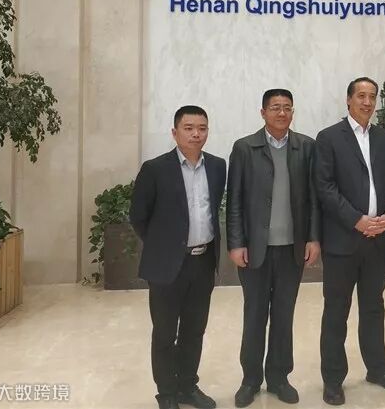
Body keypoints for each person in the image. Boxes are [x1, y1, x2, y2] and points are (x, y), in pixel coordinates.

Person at [226, 89, 321, 406]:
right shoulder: (245, 148)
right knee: (254, 315)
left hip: (292, 249)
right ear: (263, 112)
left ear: (293, 112)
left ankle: (279, 377)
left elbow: (313, 198)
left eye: (287, 108)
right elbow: (234, 200)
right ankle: (250, 379)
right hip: (255, 249)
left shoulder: (305, 147)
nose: (282, 113)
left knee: (283, 315)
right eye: (275, 107)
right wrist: (236, 242)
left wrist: (313, 237)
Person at [315, 77, 385, 406]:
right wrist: (356, 219)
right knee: (336, 311)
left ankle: (377, 369)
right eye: (361, 96)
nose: (367, 102)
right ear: (349, 99)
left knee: (373, 307)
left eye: (372, 97)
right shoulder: (328, 138)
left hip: (378, 240)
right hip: (342, 241)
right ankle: (333, 379)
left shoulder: (384, 138)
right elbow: (325, 187)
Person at [129, 106, 225, 409]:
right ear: (175, 132)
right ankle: (167, 393)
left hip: (203, 261)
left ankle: (187, 386)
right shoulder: (155, 169)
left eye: (202, 128)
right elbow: (138, 216)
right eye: (189, 128)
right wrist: (164, 246)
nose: (196, 134)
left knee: (194, 330)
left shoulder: (217, 166)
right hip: (167, 265)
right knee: (165, 332)